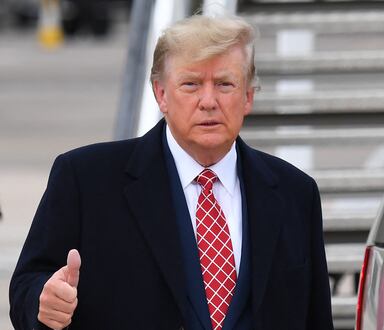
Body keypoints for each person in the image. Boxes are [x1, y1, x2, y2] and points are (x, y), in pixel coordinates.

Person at [9, 15, 334, 330]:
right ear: (161, 94)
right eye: (191, 84)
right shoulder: (84, 180)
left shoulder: (296, 194)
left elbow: (315, 318)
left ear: (247, 96)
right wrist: (43, 301)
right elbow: (27, 284)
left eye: (224, 84)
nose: (208, 101)